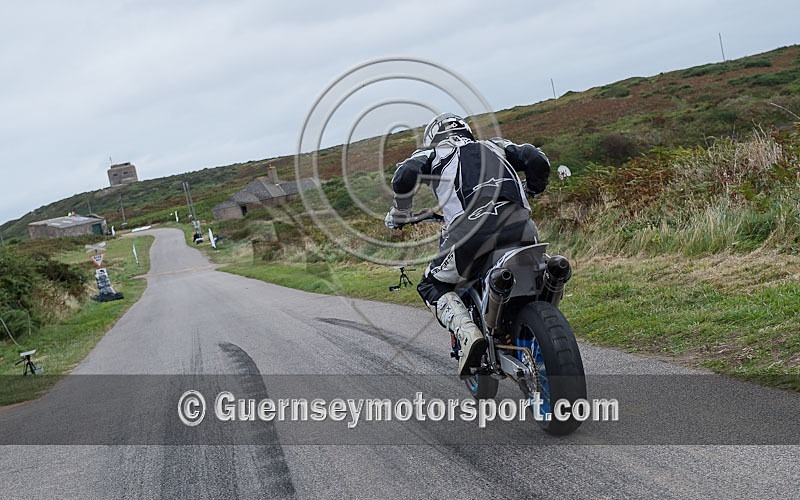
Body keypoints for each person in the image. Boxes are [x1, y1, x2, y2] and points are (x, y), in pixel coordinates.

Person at [385, 112, 550, 378]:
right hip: (521, 225)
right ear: (466, 131)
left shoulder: (433, 154)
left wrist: (401, 212)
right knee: (543, 268)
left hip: (471, 233)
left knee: (431, 283)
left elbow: (404, 175)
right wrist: (532, 189)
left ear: (433, 138)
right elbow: (535, 158)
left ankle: (467, 333)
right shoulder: (495, 145)